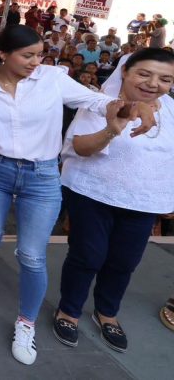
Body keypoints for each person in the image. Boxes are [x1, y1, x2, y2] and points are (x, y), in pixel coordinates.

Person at [0, 24, 151, 365]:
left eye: (40, 54)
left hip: (42, 175)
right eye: (28, 55)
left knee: (31, 254)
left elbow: (95, 99)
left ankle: (26, 321)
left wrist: (125, 107)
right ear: (2, 54)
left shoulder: (52, 78)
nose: (37, 61)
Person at [53, 48, 174, 353]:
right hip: (93, 195)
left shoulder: (171, 110)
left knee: (124, 262)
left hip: (143, 203)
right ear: (125, 72)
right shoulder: (101, 103)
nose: (152, 83)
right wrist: (112, 128)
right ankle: (69, 310)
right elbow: (79, 147)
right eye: (144, 74)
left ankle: (107, 312)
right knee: (87, 256)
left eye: (165, 79)